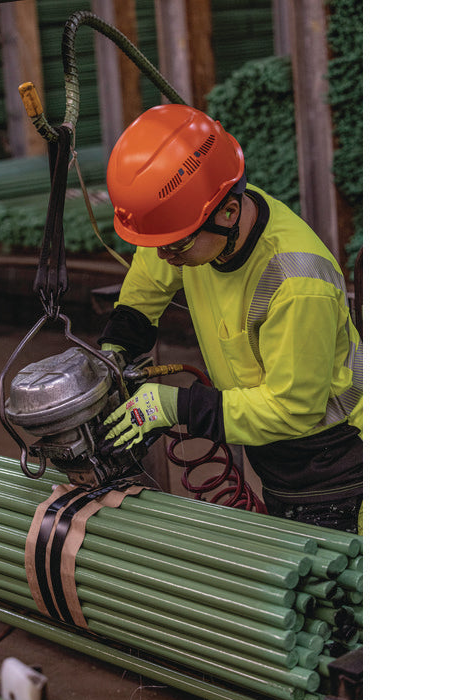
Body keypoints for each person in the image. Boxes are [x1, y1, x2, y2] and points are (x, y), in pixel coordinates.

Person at [98, 104, 362, 533]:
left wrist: (177, 405)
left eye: (175, 246)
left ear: (229, 214)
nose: (165, 256)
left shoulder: (296, 282)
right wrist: (119, 342)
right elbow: (151, 271)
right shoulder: (200, 217)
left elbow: (294, 409)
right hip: (276, 455)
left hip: (335, 466)